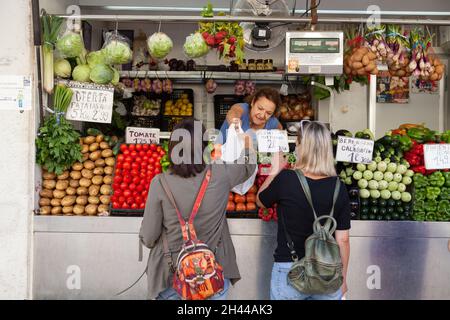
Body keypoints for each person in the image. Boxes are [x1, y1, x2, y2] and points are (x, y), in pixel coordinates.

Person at [139, 118, 257, 300]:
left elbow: (148, 237)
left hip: (172, 275)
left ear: (173, 147)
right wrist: (248, 144)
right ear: (204, 147)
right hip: (212, 274)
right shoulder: (221, 173)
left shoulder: (159, 182)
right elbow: (248, 166)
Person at [256, 121, 351, 300]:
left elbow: (261, 201)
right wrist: (343, 279)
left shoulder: (286, 179)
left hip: (288, 269)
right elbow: (343, 240)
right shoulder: (339, 187)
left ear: (301, 147)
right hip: (328, 272)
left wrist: (275, 171)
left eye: (297, 144)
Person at [218, 87, 283, 145]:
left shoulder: (272, 121)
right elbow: (233, 112)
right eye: (260, 108)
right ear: (253, 102)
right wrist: (236, 125)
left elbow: (280, 128)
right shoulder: (242, 109)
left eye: (268, 113)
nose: (262, 115)